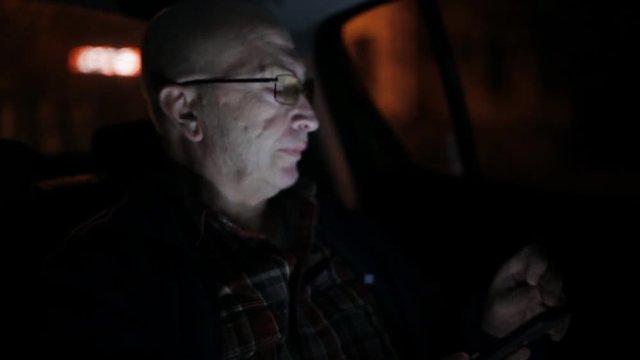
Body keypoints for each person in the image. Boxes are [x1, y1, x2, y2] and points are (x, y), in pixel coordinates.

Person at [43, 1, 568, 359]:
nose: (312, 120)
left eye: (305, 87)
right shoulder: (105, 280)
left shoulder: (337, 225)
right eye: (280, 85)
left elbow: (424, 334)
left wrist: (488, 326)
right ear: (186, 111)